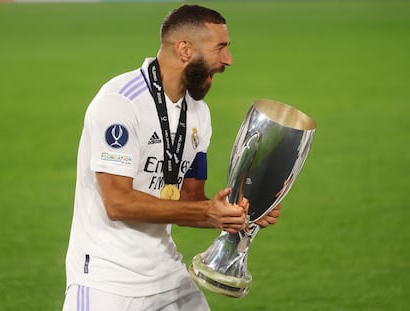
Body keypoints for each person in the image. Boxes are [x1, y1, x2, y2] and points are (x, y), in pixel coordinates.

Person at [62, 4, 281, 311]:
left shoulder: (198, 114)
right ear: (184, 50)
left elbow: (192, 199)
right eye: (220, 48)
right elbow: (117, 203)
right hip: (107, 282)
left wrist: (241, 214)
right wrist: (208, 213)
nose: (227, 60)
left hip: (167, 276)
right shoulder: (120, 102)